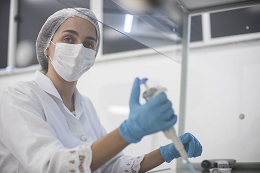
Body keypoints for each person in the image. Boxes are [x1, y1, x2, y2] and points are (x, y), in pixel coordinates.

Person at [0, 8, 202, 173]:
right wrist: (129, 131)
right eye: (69, 39)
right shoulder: (18, 97)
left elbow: (111, 165)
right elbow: (52, 167)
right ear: (47, 46)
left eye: (89, 44)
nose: (79, 49)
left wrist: (166, 152)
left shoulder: (85, 105)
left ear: (93, 56)